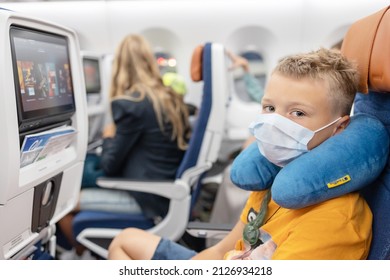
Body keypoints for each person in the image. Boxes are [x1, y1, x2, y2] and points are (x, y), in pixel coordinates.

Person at [107, 47, 372, 260]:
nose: (274, 123)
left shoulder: (333, 222)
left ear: (338, 128)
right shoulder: (274, 177)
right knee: (125, 240)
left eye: (298, 113)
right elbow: (221, 250)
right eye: (269, 108)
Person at [57, 34, 191, 259]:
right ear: (149, 62)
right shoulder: (169, 97)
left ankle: (80, 257)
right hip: (164, 190)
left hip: (145, 198)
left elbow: (109, 166)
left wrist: (109, 136)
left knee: (63, 203)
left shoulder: (131, 104)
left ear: (120, 67)